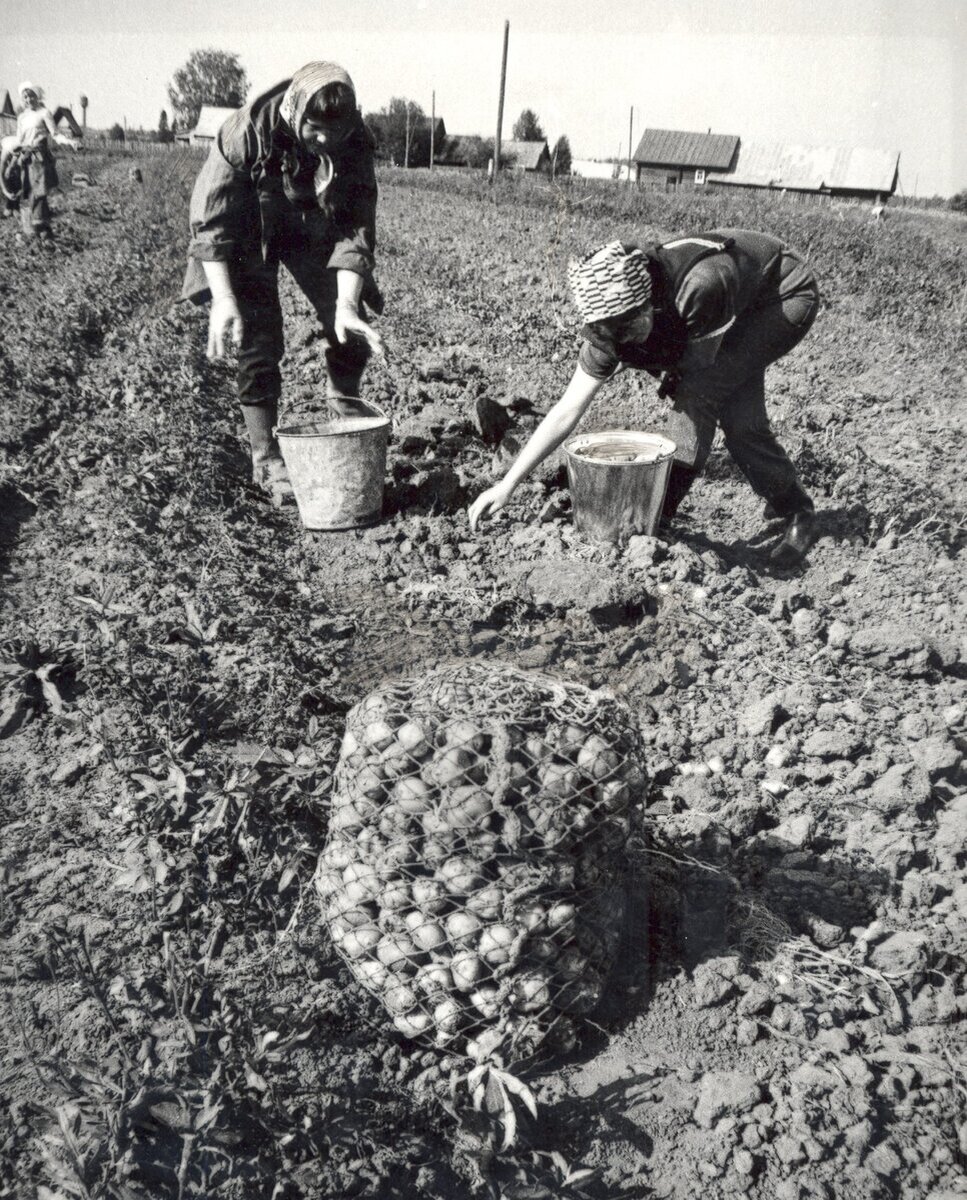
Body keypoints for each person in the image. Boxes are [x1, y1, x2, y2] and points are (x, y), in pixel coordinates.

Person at [469, 229, 821, 566]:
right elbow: (568, 408)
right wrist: (507, 484)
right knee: (743, 422)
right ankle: (787, 498)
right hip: (735, 302)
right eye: (612, 336)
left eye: (628, 329)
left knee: (702, 396)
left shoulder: (699, 289)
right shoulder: (611, 330)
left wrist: (648, 524)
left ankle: (669, 519)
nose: (623, 343)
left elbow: (695, 379)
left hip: (782, 294)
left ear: (650, 304)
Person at [182, 61, 386, 504]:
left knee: (348, 323)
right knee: (258, 336)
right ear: (296, 115)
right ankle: (266, 459)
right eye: (315, 130)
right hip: (245, 223)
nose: (325, 140)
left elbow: (355, 229)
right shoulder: (246, 132)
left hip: (309, 220)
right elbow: (211, 222)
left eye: (335, 131)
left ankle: (345, 415)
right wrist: (223, 297)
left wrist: (345, 304)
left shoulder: (354, 143)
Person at [2, 82, 75, 240]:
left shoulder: (44, 113)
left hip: (40, 157)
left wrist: (70, 142)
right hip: (26, 158)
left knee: (39, 191)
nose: (28, 99)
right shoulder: (21, 117)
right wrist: (12, 164)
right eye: (25, 97)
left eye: (31, 96)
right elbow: (20, 142)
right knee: (30, 193)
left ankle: (38, 225)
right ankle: (44, 227)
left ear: (37, 96)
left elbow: (55, 134)